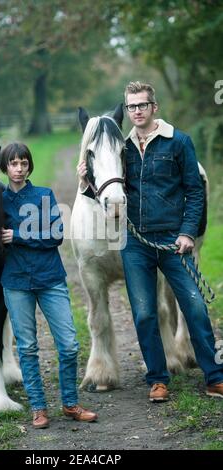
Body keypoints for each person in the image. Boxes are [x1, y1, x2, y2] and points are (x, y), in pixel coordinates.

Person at [77, 81, 223, 402]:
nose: (137, 111)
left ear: (154, 107)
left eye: (143, 105)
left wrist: (187, 232)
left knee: (195, 306)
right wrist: (85, 177)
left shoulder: (178, 141)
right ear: (126, 111)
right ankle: (157, 379)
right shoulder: (121, 148)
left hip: (173, 240)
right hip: (137, 243)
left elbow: (194, 191)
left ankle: (214, 376)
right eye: (131, 107)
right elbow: (106, 182)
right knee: (144, 313)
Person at [0, 142, 98, 428]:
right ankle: (39, 408)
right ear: (5, 167)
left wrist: (17, 235)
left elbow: (55, 235)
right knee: (28, 348)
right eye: (13, 164)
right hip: (16, 282)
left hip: (50, 278)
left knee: (68, 345)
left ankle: (70, 404)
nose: (19, 169)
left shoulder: (44, 196)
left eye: (24, 163)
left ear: (30, 165)